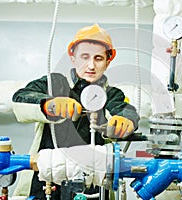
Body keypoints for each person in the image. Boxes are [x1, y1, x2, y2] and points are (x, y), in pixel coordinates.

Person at [12, 23, 140, 200]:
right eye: (84, 57)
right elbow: (20, 98)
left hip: (93, 186)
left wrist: (125, 120)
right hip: (44, 180)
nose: (91, 65)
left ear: (108, 61)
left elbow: (125, 110)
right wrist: (50, 104)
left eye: (98, 58)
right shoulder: (54, 83)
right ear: (73, 58)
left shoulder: (111, 94)